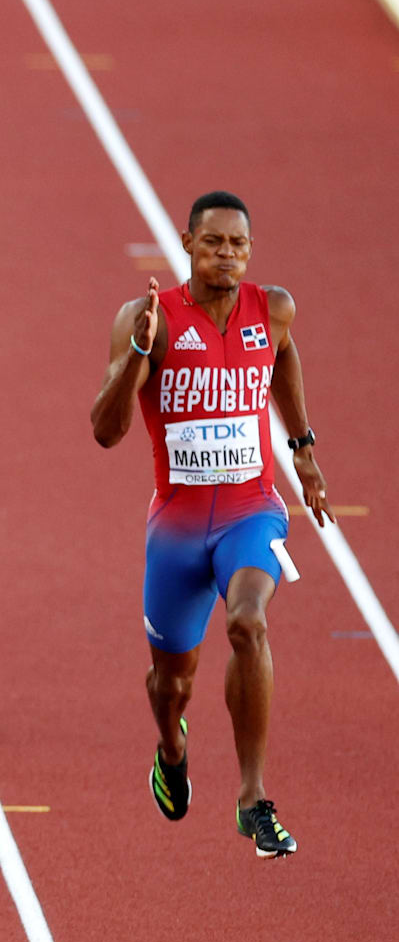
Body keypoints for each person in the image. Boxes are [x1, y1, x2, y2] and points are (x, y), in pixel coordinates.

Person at [91, 191, 329, 859]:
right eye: (213, 242)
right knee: (170, 685)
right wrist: (135, 357)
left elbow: (282, 357)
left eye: (237, 244)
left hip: (253, 509)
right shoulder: (147, 318)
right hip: (176, 528)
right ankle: (170, 748)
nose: (226, 254)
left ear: (249, 252)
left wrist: (302, 450)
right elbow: (105, 431)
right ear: (187, 245)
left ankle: (251, 797)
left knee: (248, 623)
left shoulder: (270, 309)